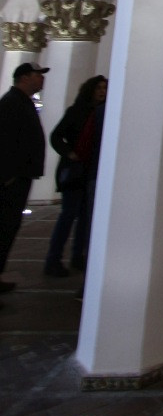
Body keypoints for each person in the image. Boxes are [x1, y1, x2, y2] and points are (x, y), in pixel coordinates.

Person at [44, 75, 107, 277]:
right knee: (68, 214)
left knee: (86, 217)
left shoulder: (104, 112)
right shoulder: (77, 111)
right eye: (98, 87)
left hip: (91, 171)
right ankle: (53, 259)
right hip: (74, 171)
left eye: (105, 88)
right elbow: (56, 136)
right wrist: (70, 152)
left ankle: (77, 256)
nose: (102, 91)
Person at [0, 61, 48, 295]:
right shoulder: (11, 104)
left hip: (20, 177)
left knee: (8, 229)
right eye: (37, 75)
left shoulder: (21, 102)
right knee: (3, 228)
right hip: (10, 181)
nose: (42, 79)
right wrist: (7, 177)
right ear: (24, 77)